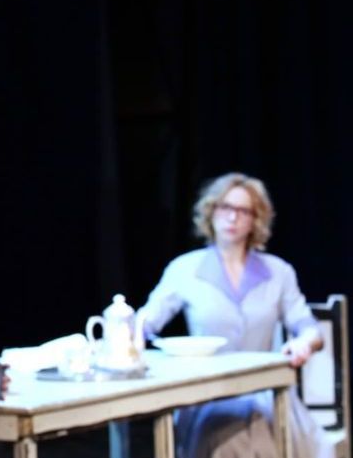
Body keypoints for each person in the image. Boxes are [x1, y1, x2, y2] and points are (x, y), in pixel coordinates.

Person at [138, 172, 333, 458]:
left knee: (267, 434)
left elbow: (307, 326)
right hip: (209, 393)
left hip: (266, 391)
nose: (232, 218)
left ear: (255, 219)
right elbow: (147, 321)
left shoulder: (278, 272)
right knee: (225, 440)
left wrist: (304, 342)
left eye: (243, 211)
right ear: (211, 211)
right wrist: (122, 328)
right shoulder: (186, 269)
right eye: (226, 207)